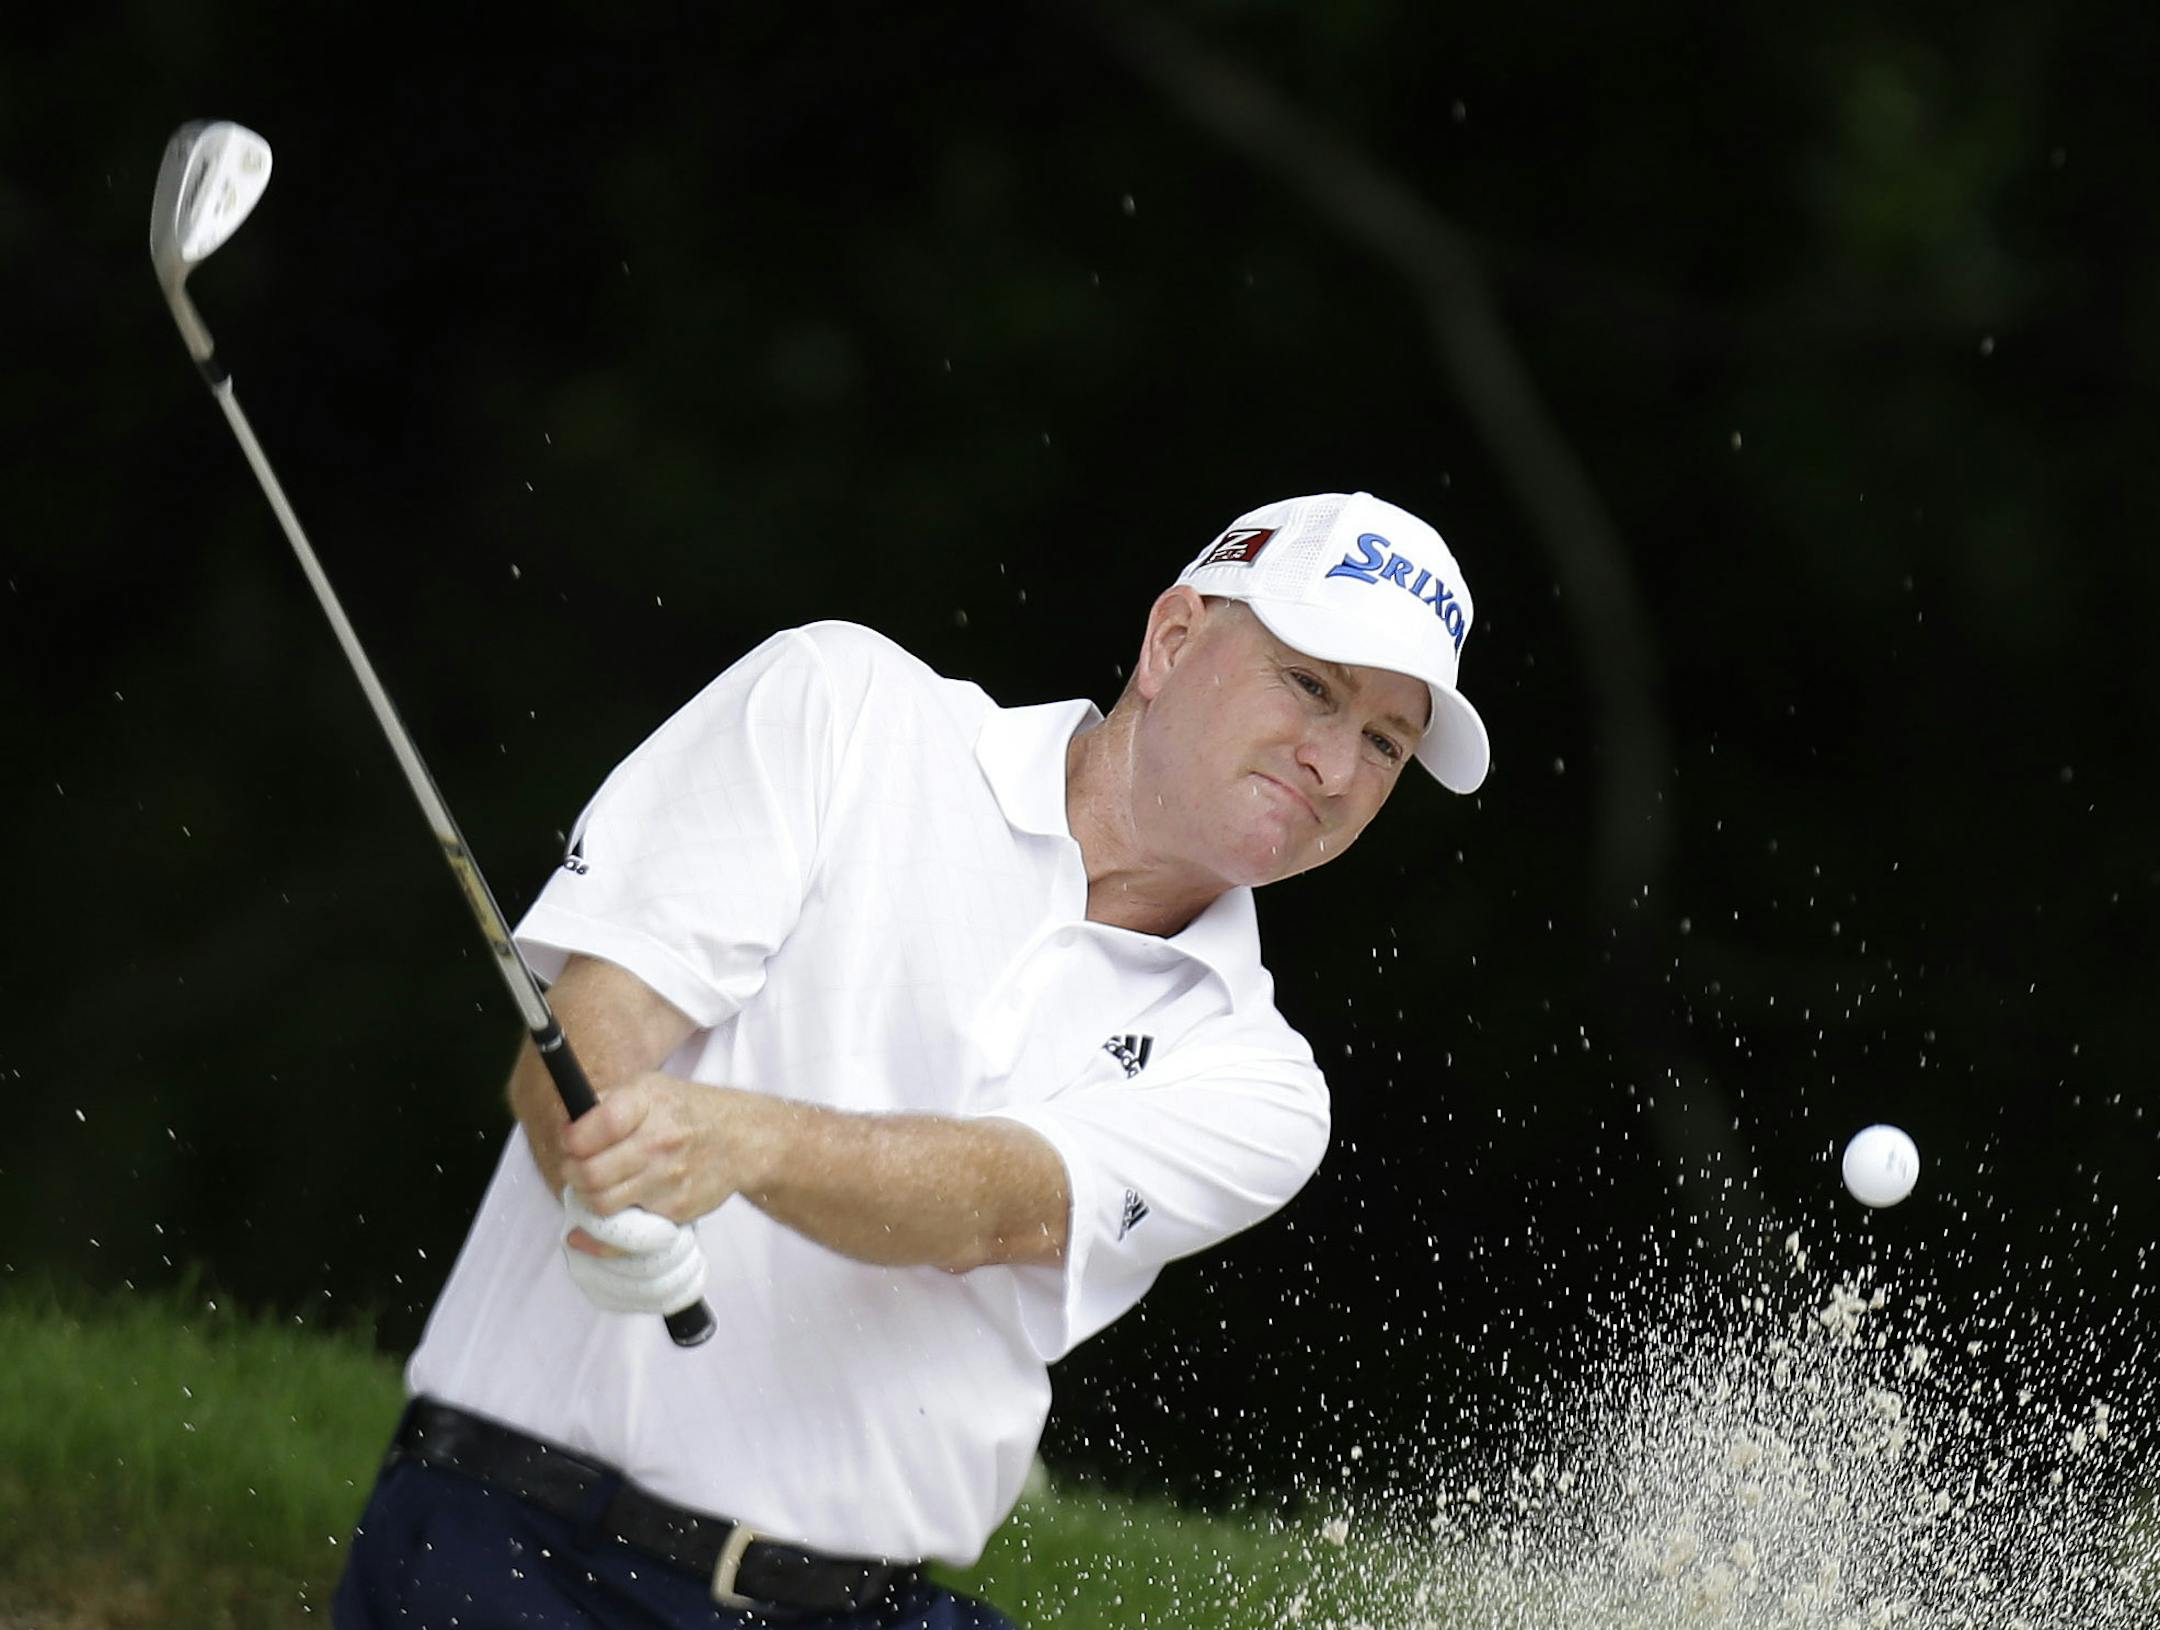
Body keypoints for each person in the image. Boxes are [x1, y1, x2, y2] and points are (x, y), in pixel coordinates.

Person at [333, 490, 1491, 1629]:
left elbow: (993, 1205)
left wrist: (743, 1139)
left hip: (853, 1607)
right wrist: (597, 1152)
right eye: (1312, 687)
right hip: (517, 1551)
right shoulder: (845, 705)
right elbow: (585, 1035)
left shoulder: (1262, 1083)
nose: (1337, 763)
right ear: (1174, 638)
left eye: (1384, 742)